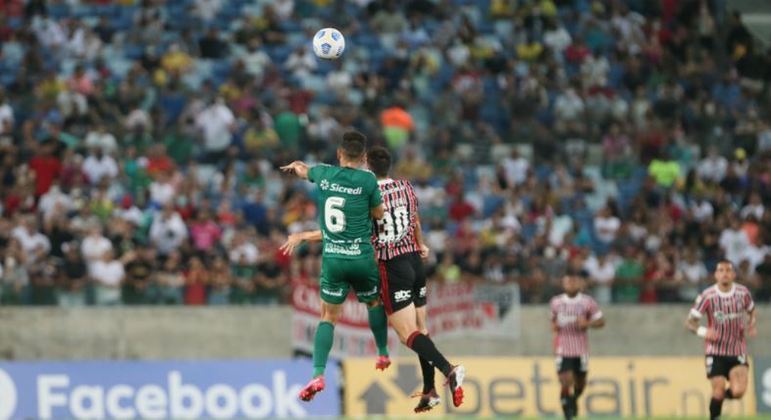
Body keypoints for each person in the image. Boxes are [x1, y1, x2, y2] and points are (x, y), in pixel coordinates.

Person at [282, 146, 466, 410]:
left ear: (367, 165)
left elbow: (342, 230)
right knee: (421, 330)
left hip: (392, 266)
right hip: (415, 261)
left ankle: (449, 369)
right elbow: (415, 219)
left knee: (407, 334)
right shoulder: (405, 186)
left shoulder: (369, 195)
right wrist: (421, 244)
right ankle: (430, 390)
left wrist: (302, 236)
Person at [279, 131, 391, 402]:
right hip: (362, 257)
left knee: (328, 317)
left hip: (334, 259)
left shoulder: (325, 174)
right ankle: (383, 353)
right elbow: (379, 214)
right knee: (374, 303)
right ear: (364, 158)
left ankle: (318, 374)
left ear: (339, 154)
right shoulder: (368, 179)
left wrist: (297, 168)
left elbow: (305, 171)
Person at [685, 260, 757, 420]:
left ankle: (716, 402)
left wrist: (752, 324)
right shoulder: (707, 296)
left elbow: (752, 310)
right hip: (715, 351)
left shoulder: (743, 293)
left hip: (737, 349)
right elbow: (690, 323)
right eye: (721, 270)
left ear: (733, 274)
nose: (725, 273)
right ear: (716, 275)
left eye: (728, 270)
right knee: (718, 389)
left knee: (738, 392)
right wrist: (704, 331)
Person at [550, 273, 605, 420]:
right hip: (563, 348)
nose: (571, 284)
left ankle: (574, 400)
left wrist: (588, 324)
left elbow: (601, 321)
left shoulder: (588, 302)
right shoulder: (556, 302)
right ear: (563, 283)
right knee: (566, 379)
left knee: (580, 382)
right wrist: (554, 335)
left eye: (574, 281)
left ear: (579, 284)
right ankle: (567, 414)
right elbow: (553, 322)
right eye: (568, 281)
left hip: (581, 349)